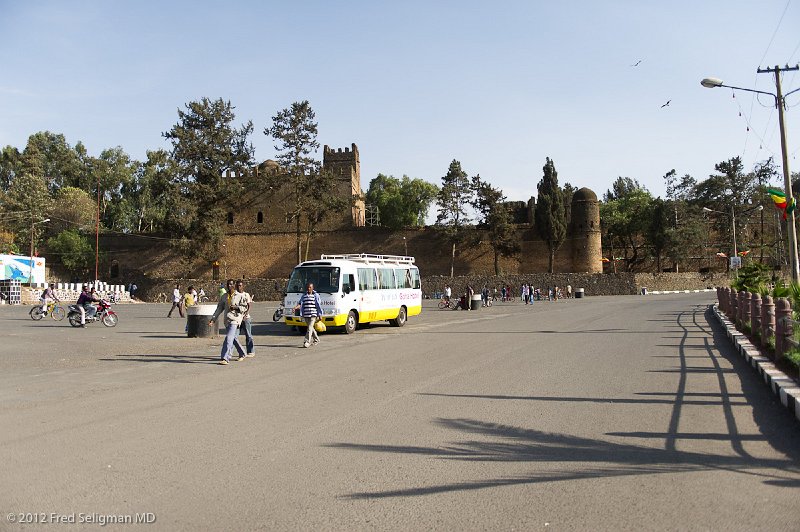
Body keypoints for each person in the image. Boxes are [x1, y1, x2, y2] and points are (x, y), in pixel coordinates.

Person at [209, 279, 249, 365]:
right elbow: (219, 309)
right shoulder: (224, 296)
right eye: (228, 284)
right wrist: (213, 319)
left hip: (235, 319)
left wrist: (236, 308)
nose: (229, 286)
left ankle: (225, 358)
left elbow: (245, 308)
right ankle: (242, 353)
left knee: (229, 338)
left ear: (234, 285)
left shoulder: (240, 296)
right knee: (233, 338)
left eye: (231, 284)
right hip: (227, 320)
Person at [293, 282, 323, 348]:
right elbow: (300, 304)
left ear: (312, 288)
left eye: (310, 287)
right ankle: (316, 339)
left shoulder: (316, 295)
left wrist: (320, 314)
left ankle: (306, 342)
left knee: (309, 328)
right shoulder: (304, 296)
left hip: (313, 315)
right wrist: (295, 308)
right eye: (308, 287)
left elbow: (318, 306)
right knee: (311, 328)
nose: (308, 288)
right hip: (306, 315)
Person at [236, 280, 255, 357]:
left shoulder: (246, 295)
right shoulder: (235, 295)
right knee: (234, 336)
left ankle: (250, 351)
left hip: (245, 318)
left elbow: (249, 305)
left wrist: (245, 314)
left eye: (240, 285)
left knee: (248, 335)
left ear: (243, 286)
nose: (238, 287)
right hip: (237, 318)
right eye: (237, 285)